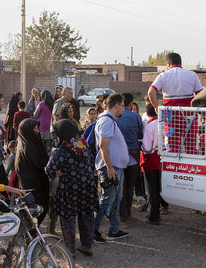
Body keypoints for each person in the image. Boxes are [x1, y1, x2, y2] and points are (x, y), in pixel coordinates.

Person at [45, 120, 96, 257]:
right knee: (86, 215)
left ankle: (71, 250)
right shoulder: (82, 146)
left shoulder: (60, 151)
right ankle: (87, 247)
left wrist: (57, 173)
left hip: (69, 187)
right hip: (87, 186)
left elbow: (49, 170)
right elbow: (91, 162)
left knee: (68, 218)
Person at [148, 52, 203, 153]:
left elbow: (151, 92)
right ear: (180, 63)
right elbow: (200, 94)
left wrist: (156, 107)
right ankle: (192, 167)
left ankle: (171, 167)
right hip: (189, 116)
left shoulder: (163, 76)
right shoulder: (192, 75)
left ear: (168, 64)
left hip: (170, 117)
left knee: (172, 147)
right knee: (192, 147)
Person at [93, 93, 130, 242]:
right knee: (107, 199)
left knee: (115, 199)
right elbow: (103, 145)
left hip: (115, 167)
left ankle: (113, 230)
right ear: (116, 105)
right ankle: (93, 231)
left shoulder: (109, 120)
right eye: (122, 106)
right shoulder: (106, 121)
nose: (123, 109)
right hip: (111, 167)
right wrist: (109, 168)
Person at [15, 119, 50, 228]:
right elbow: (41, 163)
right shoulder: (28, 147)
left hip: (32, 183)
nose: (37, 131)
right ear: (28, 131)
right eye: (34, 129)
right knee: (34, 210)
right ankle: (31, 234)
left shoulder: (25, 143)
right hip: (32, 185)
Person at [116, 93, 143, 223]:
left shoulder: (116, 117)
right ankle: (128, 213)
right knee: (130, 185)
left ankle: (122, 214)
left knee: (121, 184)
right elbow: (140, 134)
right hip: (133, 153)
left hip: (119, 154)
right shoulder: (136, 116)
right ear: (131, 103)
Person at [140, 104, 166, 224]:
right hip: (161, 159)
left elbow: (146, 147)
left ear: (147, 114)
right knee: (157, 187)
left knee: (150, 189)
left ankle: (153, 216)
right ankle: (158, 212)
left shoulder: (149, 127)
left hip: (150, 160)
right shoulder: (164, 124)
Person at [34, 90, 54, 155]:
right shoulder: (52, 104)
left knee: (41, 146)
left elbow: (35, 114)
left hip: (41, 127)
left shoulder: (41, 104)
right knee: (49, 147)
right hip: (49, 127)